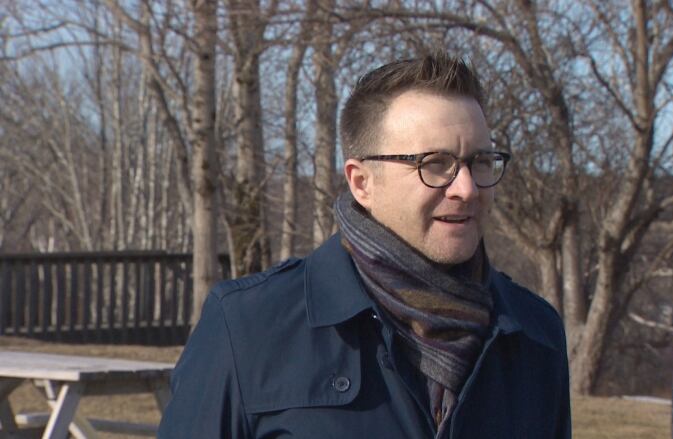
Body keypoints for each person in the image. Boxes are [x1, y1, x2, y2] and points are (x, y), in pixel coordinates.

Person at [158, 52, 571, 439]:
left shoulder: (534, 334)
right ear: (362, 182)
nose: (466, 188)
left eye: (479, 161)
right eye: (435, 164)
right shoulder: (249, 326)